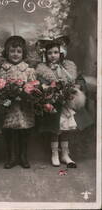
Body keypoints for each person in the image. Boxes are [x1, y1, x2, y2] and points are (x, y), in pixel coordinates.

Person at [35, 36, 91, 168]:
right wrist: (49, 88)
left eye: (55, 52)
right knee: (55, 129)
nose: (53, 56)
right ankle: (54, 154)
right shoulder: (42, 70)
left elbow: (77, 80)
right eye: (49, 53)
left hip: (66, 103)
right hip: (53, 103)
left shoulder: (68, 67)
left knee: (65, 129)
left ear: (60, 53)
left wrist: (75, 87)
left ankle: (65, 154)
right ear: (45, 54)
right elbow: (41, 84)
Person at [0, 35, 36, 169]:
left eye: (19, 51)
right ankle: (12, 157)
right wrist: (6, 92)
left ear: (23, 53)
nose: (15, 54)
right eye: (12, 51)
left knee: (24, 131)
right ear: (6, 52)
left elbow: (33, 86)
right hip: (9, 106)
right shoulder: (2, 70)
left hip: (24, 106)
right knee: (10, 131)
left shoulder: (28, 70)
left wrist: (27, 91)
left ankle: (23, 156)